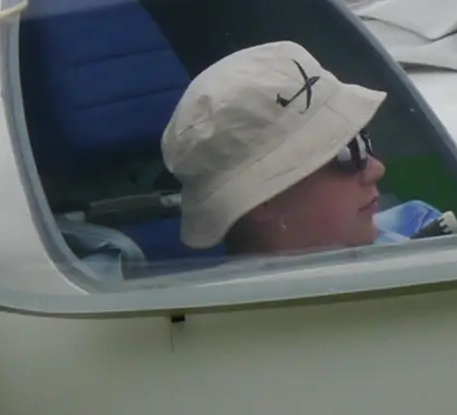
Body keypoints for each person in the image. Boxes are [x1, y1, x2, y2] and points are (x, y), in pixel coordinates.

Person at [161, 42, 393, 257]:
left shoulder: (405, 238)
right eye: (348, 151)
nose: (376, 169)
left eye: (362, 139)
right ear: (264, 200)